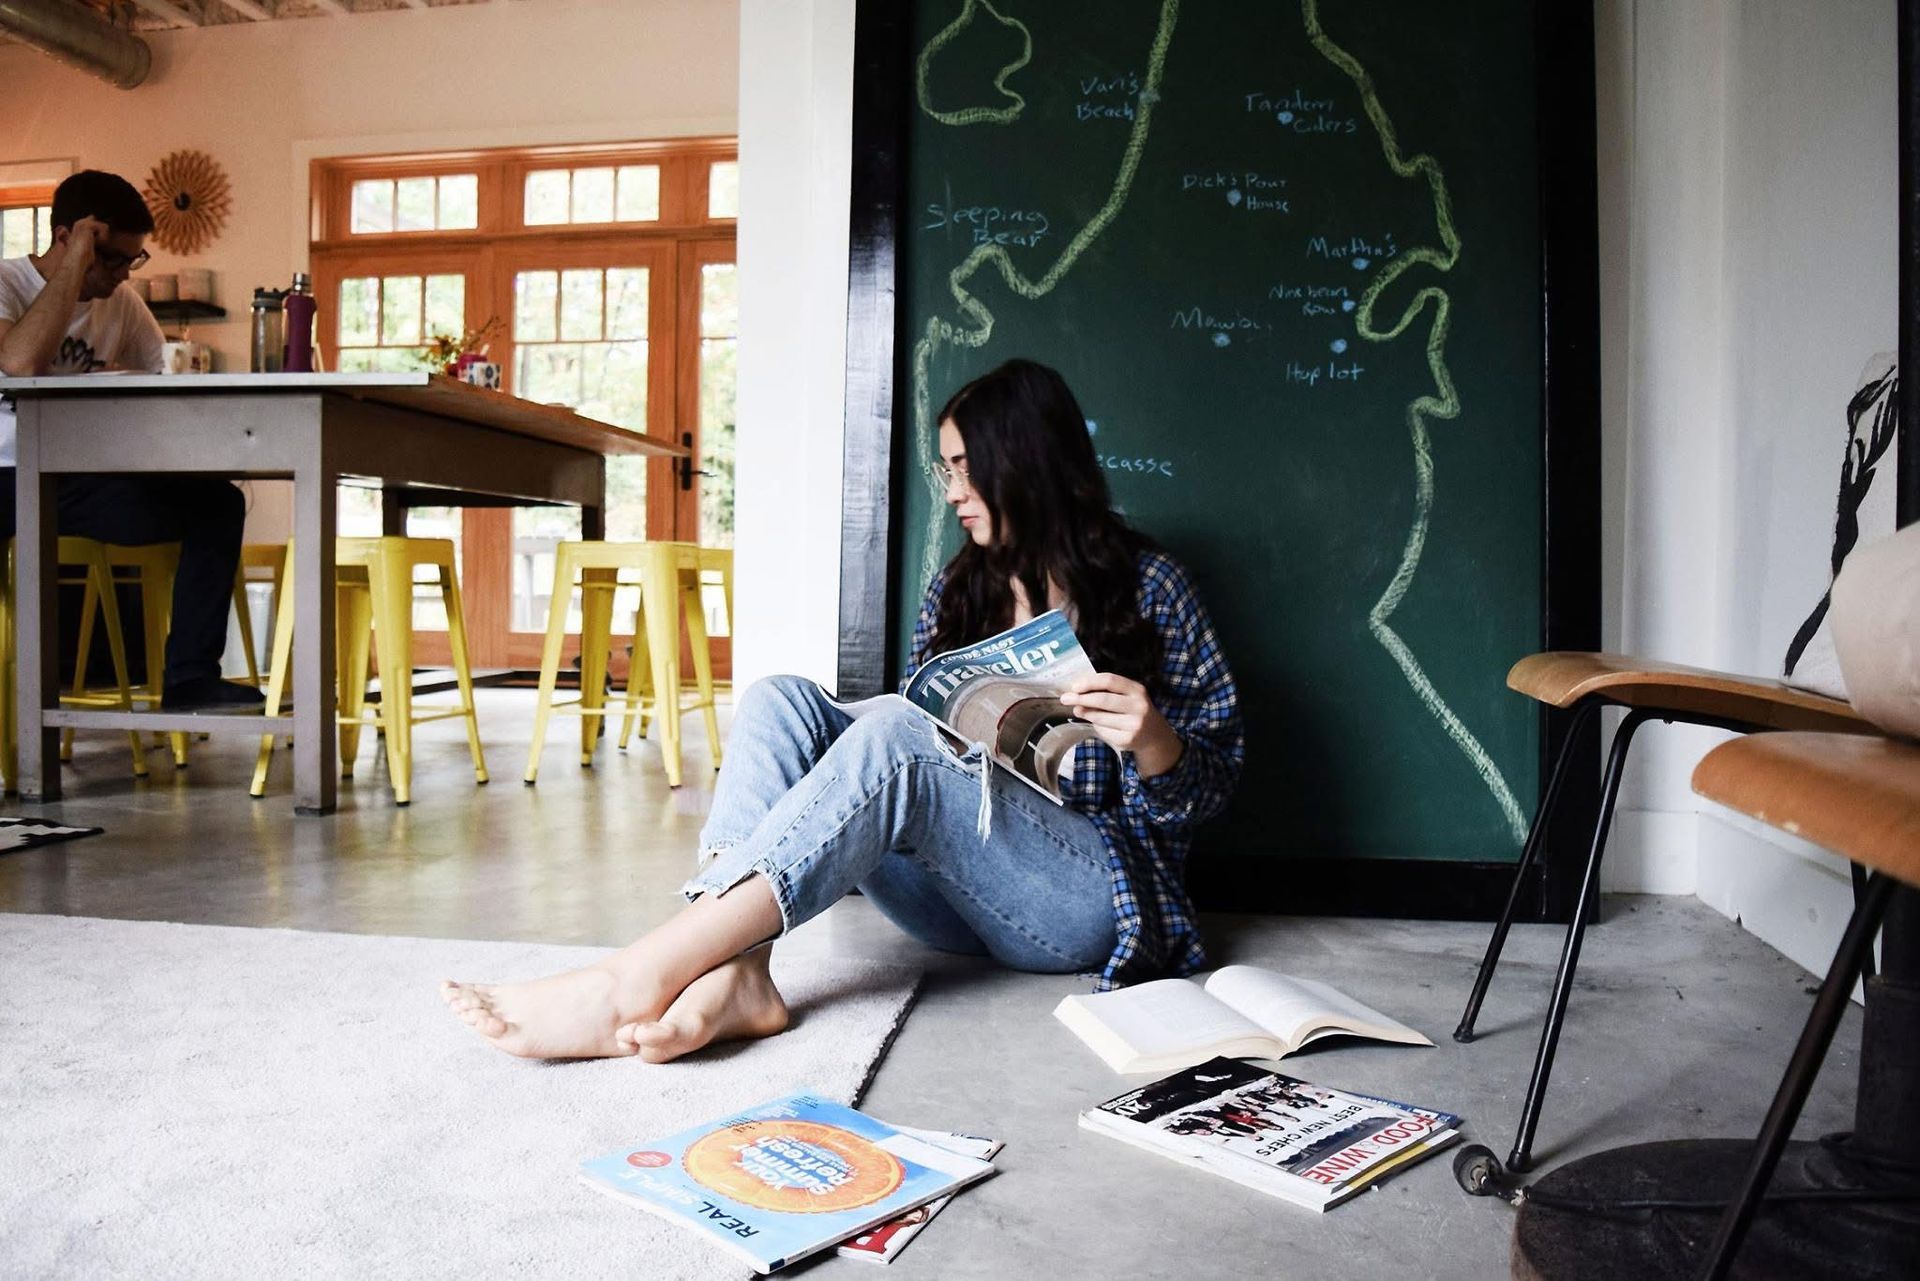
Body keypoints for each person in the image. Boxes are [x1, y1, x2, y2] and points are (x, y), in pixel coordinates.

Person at [441, 358, 1244, 1061]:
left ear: (1023, 466)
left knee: (896, 735)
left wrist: (1157, 742)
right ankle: (740, 971)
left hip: (1085, 899)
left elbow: (1215, 786)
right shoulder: (961, 587)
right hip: (955, 897)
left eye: (966, 469)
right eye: (947, 471)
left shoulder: (1150, 586)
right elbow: (928, 749)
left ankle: (636, 975)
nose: (954, 493)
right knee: (781, 699)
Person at [0, 170, 261, 709]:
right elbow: (19, 361)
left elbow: (160, 393)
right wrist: (72, 273)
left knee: (218, 504)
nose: (122, 274)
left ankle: (189, 680)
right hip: (4, 477)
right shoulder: (6, 284)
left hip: (74, 483)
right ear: (69, 238)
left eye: (132, 261)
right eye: (112, 258)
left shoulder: (122, 305)